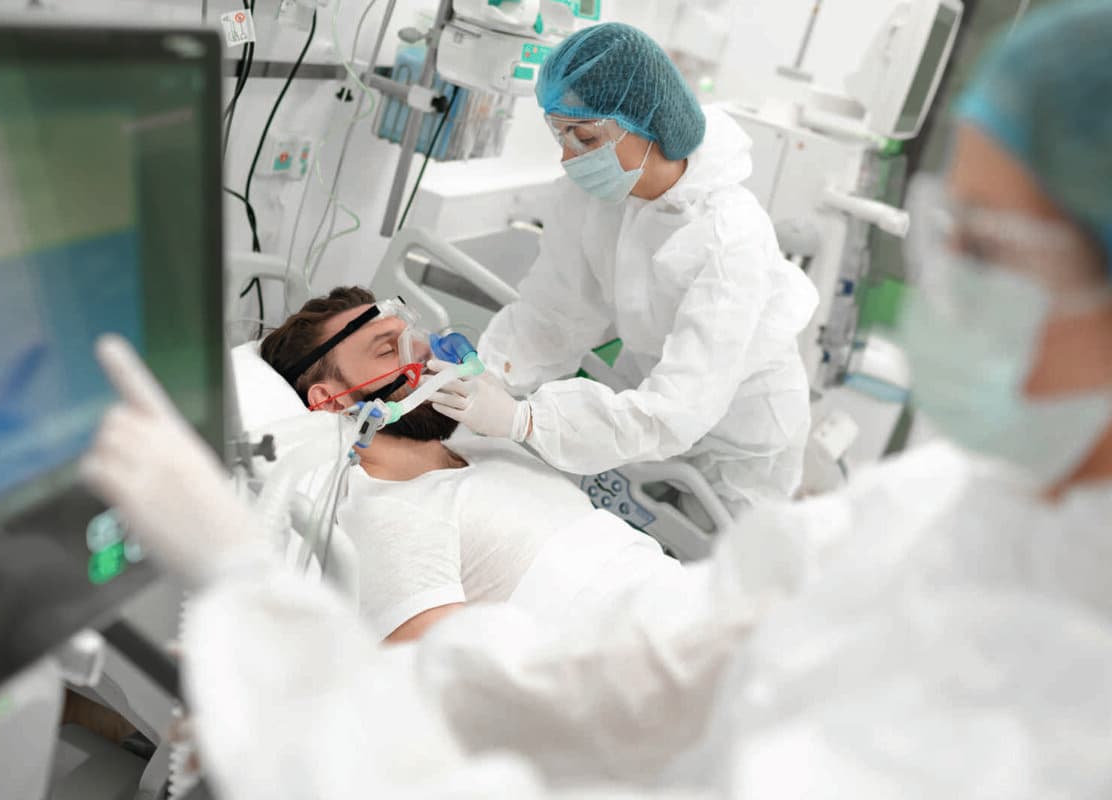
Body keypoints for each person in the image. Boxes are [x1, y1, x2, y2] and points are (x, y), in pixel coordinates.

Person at [79, 3, 1112, 797]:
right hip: (599, 588)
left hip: (713, 444)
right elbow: (664, 652)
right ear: (322, 391)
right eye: (944, 231)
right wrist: (498, 377)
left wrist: (515, 423)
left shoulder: (730, 239)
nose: (941, 287)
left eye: (982, 247)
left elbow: (669, 441)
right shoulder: (927, 510)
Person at [427, 23, 820, 520]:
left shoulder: (728, 238)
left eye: (584, 136)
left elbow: (681, 408)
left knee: (718, 571)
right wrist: (485, 373)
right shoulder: (590, 195)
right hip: (652, 407)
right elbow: (554, 315)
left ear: (650, 128)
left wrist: (527, 420)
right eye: (560, 133)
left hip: (740, 443)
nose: (568, 156)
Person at [259, 287, 682, 643]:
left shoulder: (489, 446)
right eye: (390, 349)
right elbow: (444, 687)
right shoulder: (391, 511)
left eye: (415, 337)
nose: (425, 355)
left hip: (692, 609)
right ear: (330, 401)